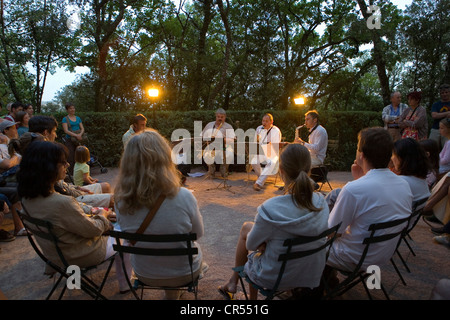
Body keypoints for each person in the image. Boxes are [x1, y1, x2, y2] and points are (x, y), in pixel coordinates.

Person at [219, 143, 329, 300]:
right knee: (250, 229)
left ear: (281, 171)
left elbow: (250, 245)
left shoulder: (271, 208)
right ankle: (234, 282)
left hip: (275, 276)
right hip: (310, 273)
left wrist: (266, 244)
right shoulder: (321, 202)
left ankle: (247, 296)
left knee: (253, 243)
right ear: (309, 168)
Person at [17, 141, 130, 293]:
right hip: (80, 254)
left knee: (112, 222)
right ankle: (126, 285)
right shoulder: (60, 202)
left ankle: (75, 283)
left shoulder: (27, 199)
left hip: (56, 255)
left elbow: (73, 215)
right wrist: (103, 215)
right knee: (126, 234)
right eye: (63, 162)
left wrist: (95, 211)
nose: (68, 165)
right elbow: (94, 229)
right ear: (48, 168)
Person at [114, 129, 205, 300]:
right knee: (195, 252)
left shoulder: (120, 200)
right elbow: (198, 234)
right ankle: (173, 293)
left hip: (143, 273)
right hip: (183, 273)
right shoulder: (184, 196)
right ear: (165, 158)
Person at [326, 127, 412, 281]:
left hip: (351, 258)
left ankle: (309, 287)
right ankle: (327, 279)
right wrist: (361, 178)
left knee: (305, 241)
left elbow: (331, 232)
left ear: (361, 155)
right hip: (381, 255)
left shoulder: (354, 190)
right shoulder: (404, 184)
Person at [391, 137, 431, 203]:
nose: (392, 158)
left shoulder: (402, 182)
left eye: (393, 154)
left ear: (403, 158)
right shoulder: (421, 181)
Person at [201, 108, 236, 178]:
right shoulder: (209, 125)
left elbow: (232, 140)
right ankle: (211, 170)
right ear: (216, 116)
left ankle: (224, 168)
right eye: (218, 117)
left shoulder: (228, 126)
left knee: (229, 154)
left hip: (224, 148)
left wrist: (223, 139)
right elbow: (201, 136)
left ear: (225, 117)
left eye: (222, 117)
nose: (220, 119)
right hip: (211, 148)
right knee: (206, 154)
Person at [251, 113, 282, 191]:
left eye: (266, 121)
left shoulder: (276, 130)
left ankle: (258, 183)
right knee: (254, 161)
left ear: (271, 122)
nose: (264, 123)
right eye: (263, 121)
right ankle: (261, 177)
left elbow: (275, 146)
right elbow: (255, 142)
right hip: (261, 152)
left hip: (272, 153)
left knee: (271, 162)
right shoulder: (259, 128)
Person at [61, 103, 85, 175]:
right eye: (70, 108)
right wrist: (76, 135)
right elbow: (66, 130)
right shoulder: (65, 119)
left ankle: (81, 172)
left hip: (78, 139)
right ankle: (70, 174)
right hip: (70, 140)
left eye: (73, 108)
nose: (72, 110)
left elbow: (82, 128)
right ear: (67, 110)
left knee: (80, 156)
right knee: (71, 157)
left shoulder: (78, 118)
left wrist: (80, 135)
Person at [430, 84, 450, 150]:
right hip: (436, 128)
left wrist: (440, 115)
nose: (444, 94)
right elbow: (434, 115)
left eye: (446, 92)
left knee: (447, 149)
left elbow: (437, 115)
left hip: (448, 130)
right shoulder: (436, 104)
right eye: (442, 93)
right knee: (431, 147)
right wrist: (447, 113)